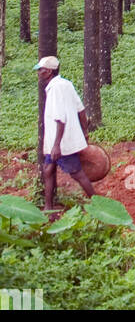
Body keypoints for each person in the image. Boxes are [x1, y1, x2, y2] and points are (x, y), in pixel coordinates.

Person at [34, 56, 97, 211]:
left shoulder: (55, 89)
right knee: (48, 169)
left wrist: (56, 145)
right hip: (58, 140)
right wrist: (85, 132)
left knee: (77, 174)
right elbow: (81, 110)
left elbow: (60, 119)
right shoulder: (66, 84)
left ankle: (99, 205)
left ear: (48, 71)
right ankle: (48, 207)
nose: (38, 73)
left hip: (61, 142)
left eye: (40, 70)